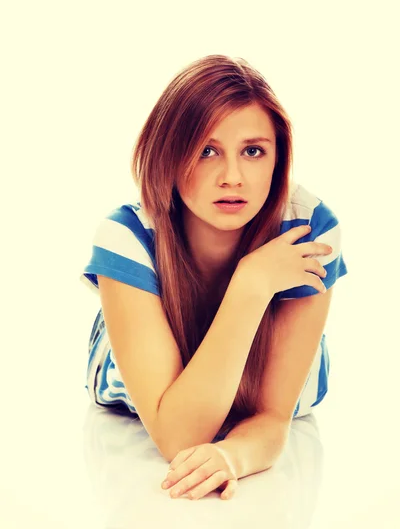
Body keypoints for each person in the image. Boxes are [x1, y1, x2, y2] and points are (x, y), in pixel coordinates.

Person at [80, 54, 348, 454]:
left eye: (253, 151)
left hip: (268, 375)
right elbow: (178, 438)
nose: (232, 177)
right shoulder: (127, 236)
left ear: (278, 159)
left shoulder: (309, 228)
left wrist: (232, 456)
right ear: (169, 156)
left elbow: (273, 417)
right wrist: (251, 284)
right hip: (139, 364)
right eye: (207, 150)